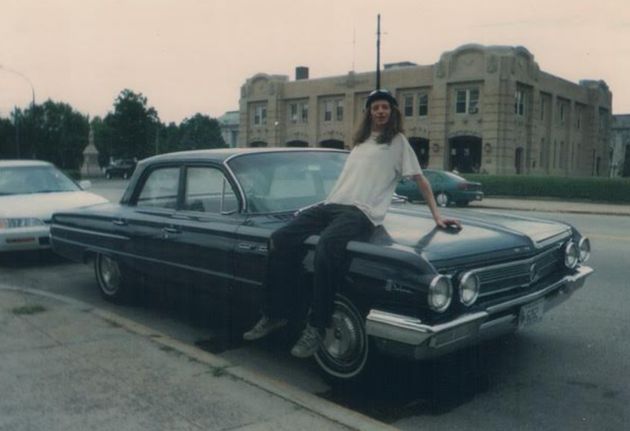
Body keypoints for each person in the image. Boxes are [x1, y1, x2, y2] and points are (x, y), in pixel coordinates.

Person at [242, 89, 461, 358]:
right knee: (279, 239)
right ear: (369, 112)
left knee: (326, 249)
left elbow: (420, 180)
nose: (380, 111)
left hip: (360, 212)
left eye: (385, 107)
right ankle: (275, 314)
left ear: (392, 112)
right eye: (375, 107)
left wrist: (437, 215)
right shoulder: (360, 142)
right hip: (331, 206)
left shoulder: (398, 143)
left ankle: (317, 326)